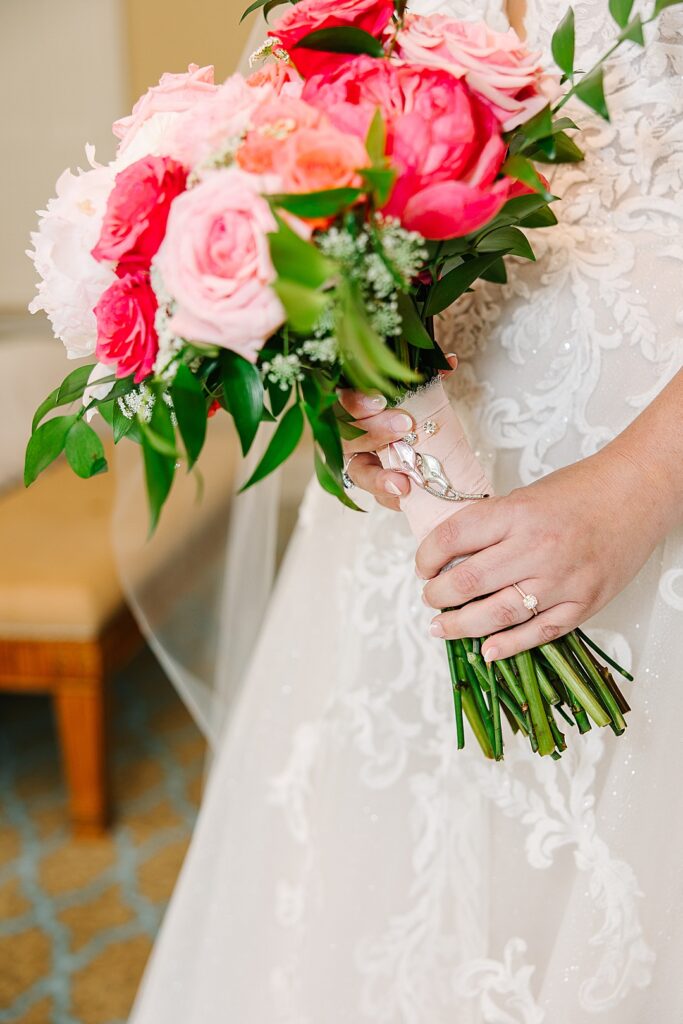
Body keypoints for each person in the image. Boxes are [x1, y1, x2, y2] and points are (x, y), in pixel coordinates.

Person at [128, 0, 683, 1019]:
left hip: (656, 546)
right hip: (405, 549)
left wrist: (635, 492)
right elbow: (303, 150)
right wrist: (326, 374)